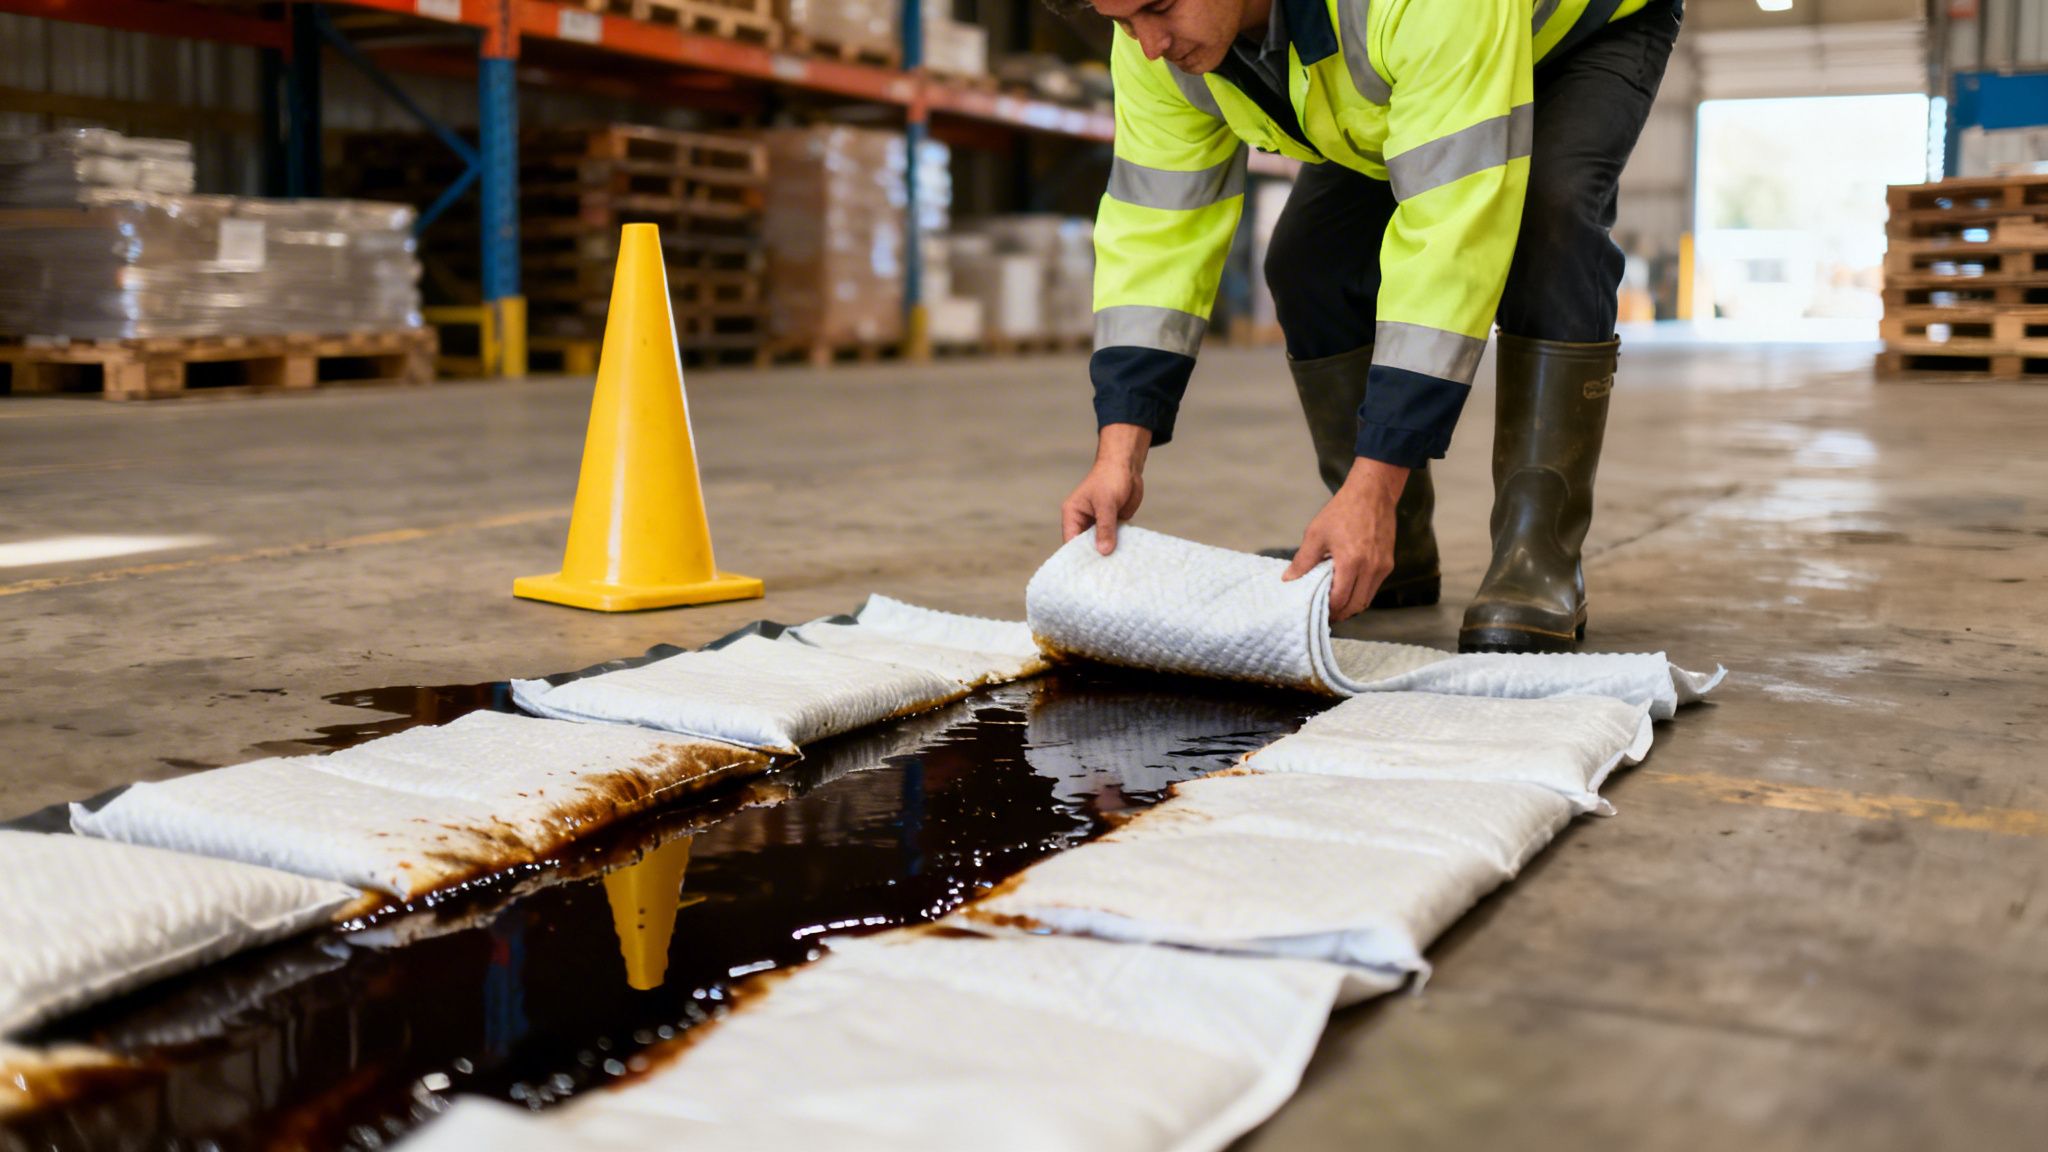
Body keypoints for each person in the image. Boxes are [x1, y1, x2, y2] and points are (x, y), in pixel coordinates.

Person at [1052, 0, 1683, 652]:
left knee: (1549, 220)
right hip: (1426, 66)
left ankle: (1536, 556)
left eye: (1160, 7)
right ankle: (1391, 546)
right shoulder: (1153, 48)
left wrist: (1376, 480)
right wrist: (1117, 455)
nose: (1148, 43)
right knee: (1310, 262)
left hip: (1580, 32)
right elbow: (1157, 231)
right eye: (1123, 21)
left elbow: (1450, 244)